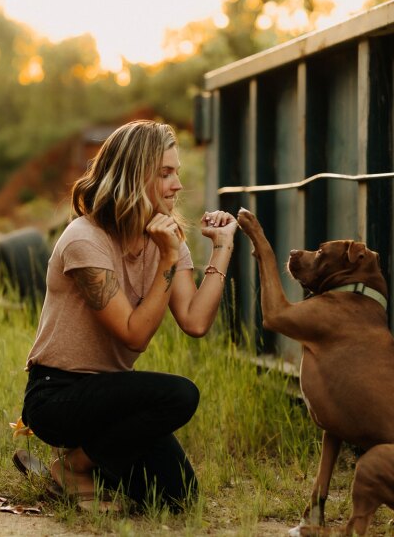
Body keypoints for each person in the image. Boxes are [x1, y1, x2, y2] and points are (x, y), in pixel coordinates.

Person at [18, 120, 238, 512]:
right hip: (58, 395)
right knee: (180, 394)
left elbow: (195, 321)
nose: (177, 185)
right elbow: (133, 336)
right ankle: (73, 467)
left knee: (178, 498)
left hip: (115, 397)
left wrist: (222, 247)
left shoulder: (166, 240)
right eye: (165, 173)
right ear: (135, 177)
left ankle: (84, 467)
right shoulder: (85, 239)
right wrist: (168, 258)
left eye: (177, 173)